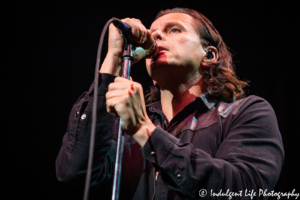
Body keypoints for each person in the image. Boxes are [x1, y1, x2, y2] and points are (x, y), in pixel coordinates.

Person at [56, 8, 284, 200]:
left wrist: (144, 130)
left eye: (174, 30)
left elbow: (243, 188)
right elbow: (74, 172)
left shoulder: (246, 112)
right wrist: (114, 57)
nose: (156, 38)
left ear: (209, 54)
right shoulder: (123, 129)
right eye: (152, 34)